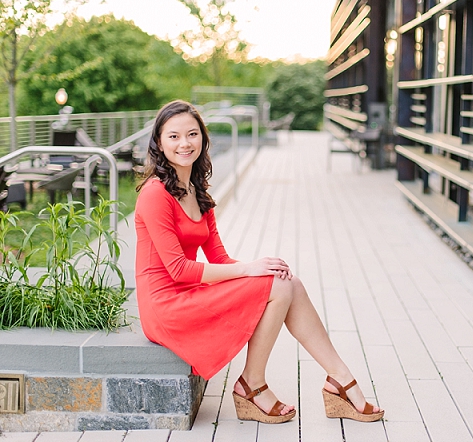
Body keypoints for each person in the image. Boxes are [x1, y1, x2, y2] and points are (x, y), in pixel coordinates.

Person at [134, 100, 383, 424]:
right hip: (165, 304)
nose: (184, 143)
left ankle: (338, 376)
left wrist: (258, 270)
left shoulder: (196, 190)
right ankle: (253, 383)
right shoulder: (155, 194)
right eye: (174, 136)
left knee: (286, 282)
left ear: (202, 139)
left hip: (188, 292)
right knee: (277, 285)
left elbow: (219, 259)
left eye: (192, 134)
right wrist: (251, 271)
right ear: (159, 142)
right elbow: (178, 270)